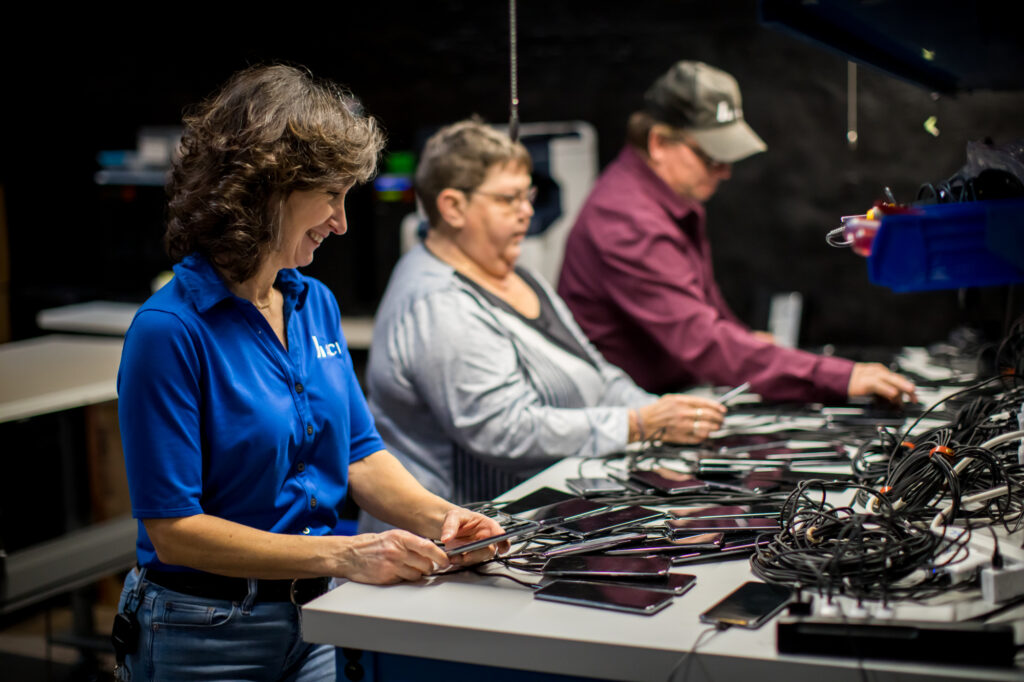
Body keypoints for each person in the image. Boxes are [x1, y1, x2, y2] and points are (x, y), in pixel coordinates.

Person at [114, 66, 505, 682]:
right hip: (205, 631)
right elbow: (175, 532)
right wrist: (347, 554)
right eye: (331, 196)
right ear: (267, 189)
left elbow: (357, 455)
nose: (342, 222)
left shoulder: (312, 303)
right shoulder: (169, 331)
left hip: (315, 617)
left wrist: (443, 518)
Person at [362, 119, 726, 524]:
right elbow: (503, 430)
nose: (527, 212)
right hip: (450, 540)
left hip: (529, 519)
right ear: (453, 207)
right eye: (508, 199)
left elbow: (597, 371)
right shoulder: (439, 302)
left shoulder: (516, 273)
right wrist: (635, 424)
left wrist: (661, 414)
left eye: (528, 195)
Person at [557, 60, 916, 404]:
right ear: (658, 144)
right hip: (625, 416)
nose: (725, 171)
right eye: (712, 157)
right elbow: (704, 344)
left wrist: (747, 344)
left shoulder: (669, 198)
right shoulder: (627, 220)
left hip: (669, 397)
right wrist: (836, 376)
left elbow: (706, 315)